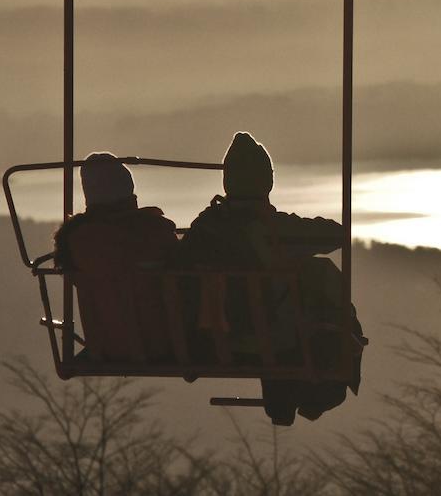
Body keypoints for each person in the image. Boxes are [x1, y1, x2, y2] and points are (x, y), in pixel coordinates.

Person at [177, 132, 365, 426]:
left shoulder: (204, 228)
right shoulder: (275, 231)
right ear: (267, 181)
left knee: (282, 300)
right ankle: (314, 388)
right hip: (270, 343)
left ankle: (287, 396)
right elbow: (336, 234)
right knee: (319, 275)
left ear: (228, 182)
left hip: (209, 341)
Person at [53, 153, 177, 363]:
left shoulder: (76, 241)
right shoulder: (155, 232)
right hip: (163, 344)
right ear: (129, 192)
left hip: (104, 347)